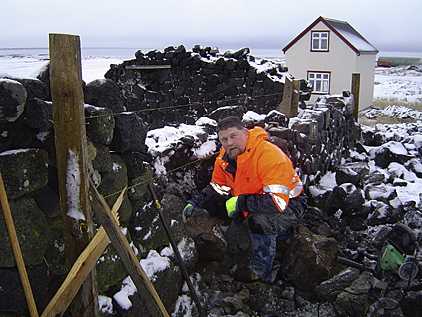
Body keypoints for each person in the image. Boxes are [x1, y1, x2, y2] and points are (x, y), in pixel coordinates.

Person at [184, 116, 307, 283]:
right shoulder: (225, 159)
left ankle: (262, 271)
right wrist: (195, 201)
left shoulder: (268, 155)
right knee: (235, 246)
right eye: (224, 139)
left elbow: (277, 202)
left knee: (259, 221)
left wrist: (240, 203)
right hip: (255, 202)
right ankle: (280, 236)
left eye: (234, 136)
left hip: (290, 204)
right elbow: (217, 187)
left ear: (246, 133)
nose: (229, 143)